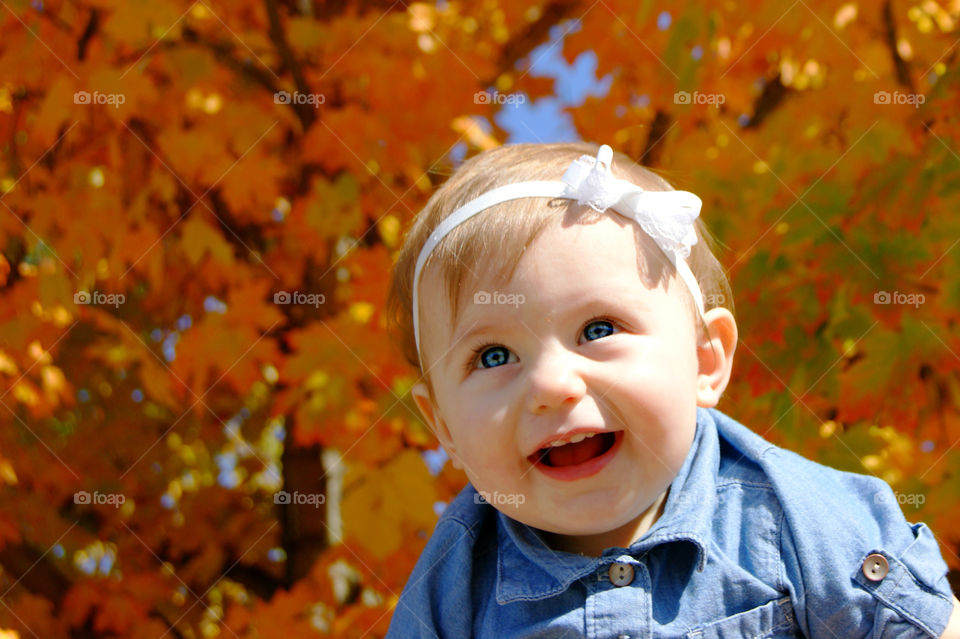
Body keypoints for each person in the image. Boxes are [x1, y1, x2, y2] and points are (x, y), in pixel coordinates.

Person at [384, 142, 960, 638]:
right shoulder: (452, 586)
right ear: (444, 430)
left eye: (599, 330)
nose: (551, 384)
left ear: (706, 360)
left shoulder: (797, 519)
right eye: (493, 356)